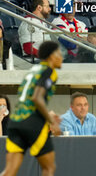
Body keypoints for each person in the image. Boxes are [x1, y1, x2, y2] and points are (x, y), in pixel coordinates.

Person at [0, 41, 62, 176]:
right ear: (51, 56)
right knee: (49, 168)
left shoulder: (33, 70)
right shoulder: (49, 71)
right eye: (58, 53)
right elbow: (37, 98)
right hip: (32, 123)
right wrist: (51, 120)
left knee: (10, 170)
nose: (61, 57)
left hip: (15, 121)